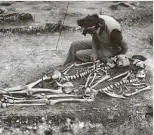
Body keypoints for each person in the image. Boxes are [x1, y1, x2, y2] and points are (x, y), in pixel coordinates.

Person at [64, 14, 128, 66]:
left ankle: (75, 63)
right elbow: (94, 38)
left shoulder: (113, 31)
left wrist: (115, 57)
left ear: (99, 26)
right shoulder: (95, 20)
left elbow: (125, 47)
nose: (92, 34)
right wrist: (94, 51)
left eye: (92, 32)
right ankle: (66, 65)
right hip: (101, 42)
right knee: (75, 45)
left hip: (112, 48)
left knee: (79, 54)